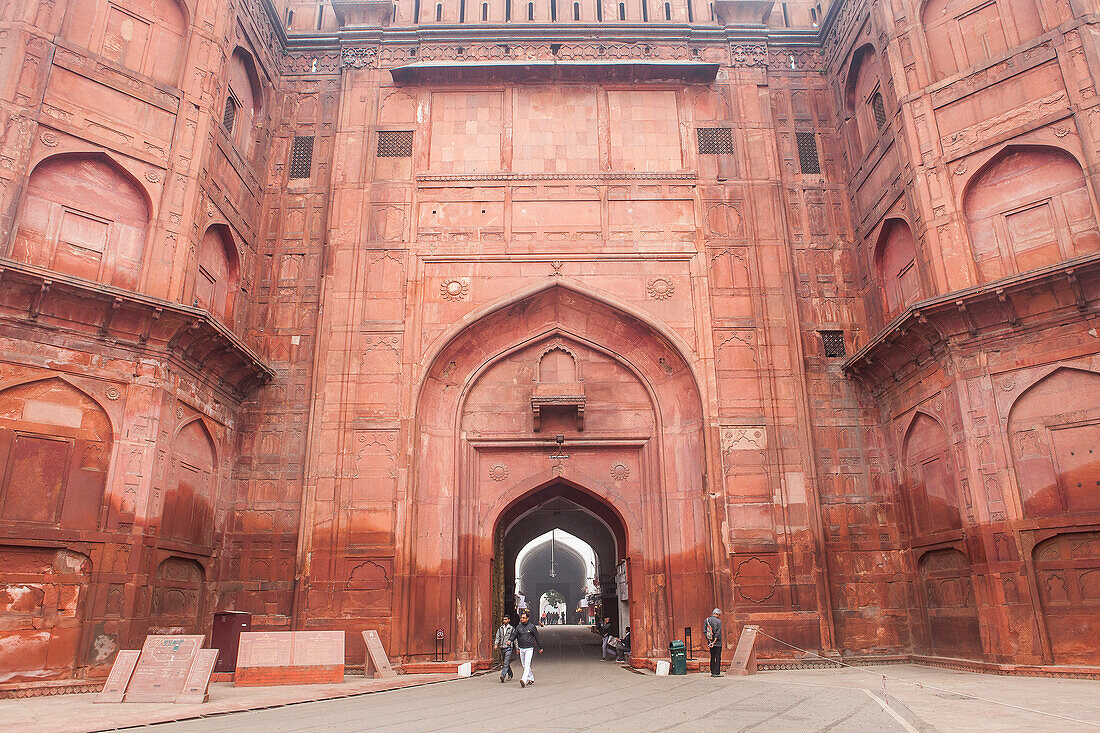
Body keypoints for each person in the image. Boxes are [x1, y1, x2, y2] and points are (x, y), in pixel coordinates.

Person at [510, 610, 542, 687]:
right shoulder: (518, 627)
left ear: (528, 618)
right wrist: (509, 640)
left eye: (524, 618)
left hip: (529, 648)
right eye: (521, 618)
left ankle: (524, 680)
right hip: (521, 648)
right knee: (524, 664)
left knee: (527, 664)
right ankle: (531, 678)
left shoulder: (532, 627)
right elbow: (515, 635)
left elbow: (537, 637)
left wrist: (540, 647)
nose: (522, 619)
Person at [494, 614, 516, 683]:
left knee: (506, 662)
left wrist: (517, 648)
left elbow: (515, 639)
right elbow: (498, 637)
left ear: (509, 620)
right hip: (502, 647)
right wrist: (496, 644)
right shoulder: (500, 628)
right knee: (505, 662)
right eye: (503, 619)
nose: (504, 621)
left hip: (509, 647)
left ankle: (503, 675)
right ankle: (510, 673)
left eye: (506, 619)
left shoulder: (512, 629)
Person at [704, 608, 723, 677]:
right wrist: (714, 641)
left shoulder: (707, 620)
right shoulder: (718, 621)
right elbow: (718, 632)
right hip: (717, 642)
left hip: (710, 641)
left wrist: (710, 641)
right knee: (718, 657)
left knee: (712, 656)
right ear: (717, 614)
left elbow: (705, 631)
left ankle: (712, 671)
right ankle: (717, 672)